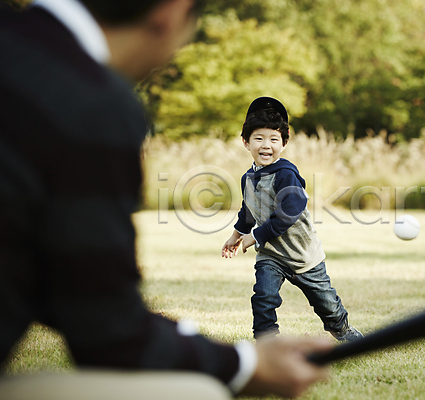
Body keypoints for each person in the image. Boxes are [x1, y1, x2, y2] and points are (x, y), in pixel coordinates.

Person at [0, 1, 332, 398]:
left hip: (302, 258)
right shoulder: (90, 100)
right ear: (172, 12)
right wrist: (245, 364)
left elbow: (58, 291)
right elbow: (106, 331)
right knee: (197, 393)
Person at [222, 97, 364, 343]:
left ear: (284, 143)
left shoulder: (286, 174)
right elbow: (248, 210)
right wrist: (235, 236)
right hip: (272, 255)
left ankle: (342, 330)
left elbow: (288, 213)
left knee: (327, 304)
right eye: (259, 138)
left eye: (274, 139)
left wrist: (253, 237)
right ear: (245, 142)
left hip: (303, 255)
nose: (266, 145)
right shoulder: (248, 178)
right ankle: (267, 343)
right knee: (263, 297)